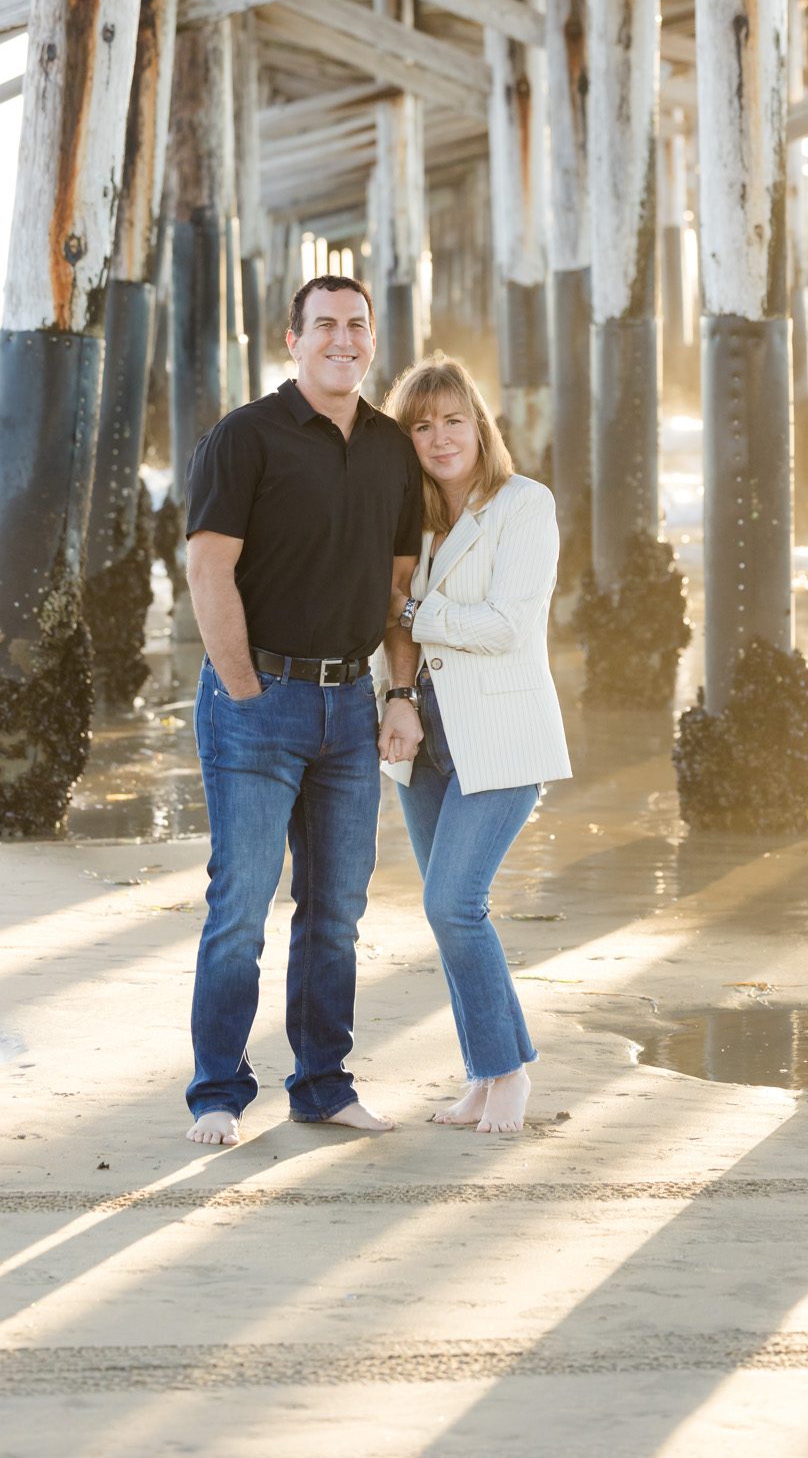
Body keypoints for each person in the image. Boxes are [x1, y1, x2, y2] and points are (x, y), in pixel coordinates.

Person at [182, 276, 425, 1147]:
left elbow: (398, 591)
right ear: (292, 340)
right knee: (240, 911)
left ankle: (322, 1085)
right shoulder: (245, 436)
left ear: (372, 340)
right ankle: (217, 1093)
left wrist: (400, 694)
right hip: (257, 702)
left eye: (356, 325)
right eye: (324, 324)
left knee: (334, 916)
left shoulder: (392, 449)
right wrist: (244, 689)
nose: (342, 339)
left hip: (350, 711)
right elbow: (208, 569)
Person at [378, 356, 573, 1136]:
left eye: (453, 420)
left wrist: (410, 611)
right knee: (446, 914)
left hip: (501, 739)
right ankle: (485, 1073)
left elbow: (505, 626)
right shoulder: (412, 519)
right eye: (421, 426)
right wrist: (396, 698)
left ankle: (508, 1073)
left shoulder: (524, 504)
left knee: (453, 905)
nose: (440, 438)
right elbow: (384, 620)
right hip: (422, 740)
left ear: (479, 426)